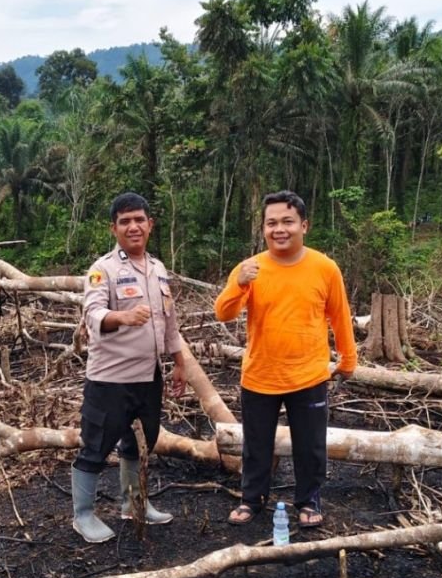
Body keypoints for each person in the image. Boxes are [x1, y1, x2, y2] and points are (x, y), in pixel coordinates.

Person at [214, 190, 356, 528]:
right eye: (271, 223)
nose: (279, 229)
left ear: (304, 225)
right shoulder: (251, 268)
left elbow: (340, 316)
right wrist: (238, 284)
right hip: (260, 374)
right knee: (256, 445)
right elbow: (223, 313)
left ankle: (308, 501)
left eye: (287, 222)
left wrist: (348, 359)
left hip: (309, 374)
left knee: (310, 445)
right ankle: (252, 499)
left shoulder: (325, 268)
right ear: (263, 228)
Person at [71, 192, 187, 542]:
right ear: (114, 228)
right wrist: (122, 316)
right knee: (96, 444)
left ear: (150, 224)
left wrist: (179, 362)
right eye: (125, 221)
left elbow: (170, 323)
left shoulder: (158, 269)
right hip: (110, 378)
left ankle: (133, 504)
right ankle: (83, 515)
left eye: (139, 220)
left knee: (141, 442)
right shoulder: (103, 269)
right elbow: (92, 314)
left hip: (149, 377)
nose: (133, 227)